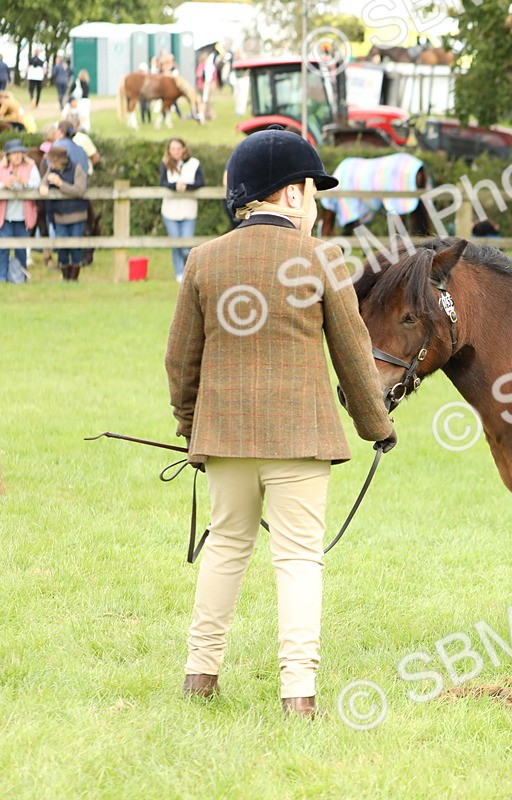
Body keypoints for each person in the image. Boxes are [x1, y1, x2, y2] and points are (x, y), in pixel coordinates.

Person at [166, 126, 397, 719]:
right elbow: (353, 355)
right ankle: (299, 694)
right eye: (312, 192)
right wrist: (378, 428)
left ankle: (200, 675)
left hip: (224, 441)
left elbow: (180, 361)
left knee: (225, 549)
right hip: (300, 438)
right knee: (298, 558)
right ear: (290, 194)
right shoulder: (322, 259)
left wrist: (192, 426)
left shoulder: (203, 260)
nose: (315, 205)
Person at [38, 145, 87, 281]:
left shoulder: (77, 168)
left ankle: (74, 278)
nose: (50, 164)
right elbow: (44, 182)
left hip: (76, 215)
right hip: (59, 215)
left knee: (76, 247)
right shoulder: (52, 169)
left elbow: (79, 190)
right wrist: (43, 186)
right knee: (61, 247)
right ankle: (65, 277)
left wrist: (60, 184)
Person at [160, 138, 205, 282]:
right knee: (175, 243)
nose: (176, 152)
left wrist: (186, 186)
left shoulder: (194, 164)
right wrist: (175, 186)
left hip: (188, 210)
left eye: (178, 149)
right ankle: (179, 273)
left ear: (184, 149)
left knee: (186, 246)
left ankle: (189, 269)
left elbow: (200, 182)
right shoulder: (165, 163)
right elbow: (163, 182)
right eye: (173, 149)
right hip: (170, 211)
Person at [0, 139, 40, 283]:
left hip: (24, 217)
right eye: (14, 153)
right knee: (3, 249)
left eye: (19, 153)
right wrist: (4, 185)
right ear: (8, 155)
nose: (17, 156)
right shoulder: (1, 168)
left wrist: (24, 182)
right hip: (4, 218)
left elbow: (37, 184)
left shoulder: (30, 167)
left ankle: (21, 278)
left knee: (21, 249)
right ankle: (2, 278)